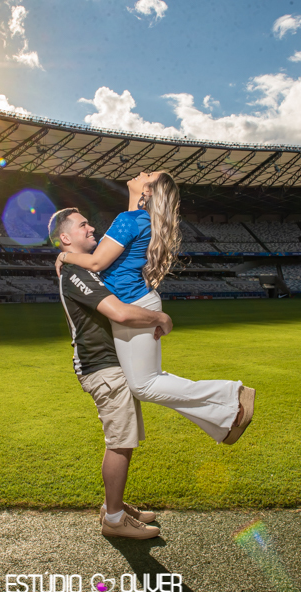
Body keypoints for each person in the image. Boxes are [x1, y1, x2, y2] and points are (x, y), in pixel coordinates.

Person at [55, 171, 254, 445]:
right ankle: (225, 419)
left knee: (144, 386)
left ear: (148, 192)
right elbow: (127, 227)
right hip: (139, 299)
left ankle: (230, 396)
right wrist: (136, 196)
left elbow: (98, 263)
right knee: (149, 381)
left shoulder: (129, 221)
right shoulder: (141, 219)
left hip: (134, 303)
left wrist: (64, 255)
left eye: (147, 175)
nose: (141, 172)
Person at [50, 207, 171, 540]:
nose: (92, 228)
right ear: (65, 237)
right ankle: (114, 520)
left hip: (108, 363)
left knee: (124, 441)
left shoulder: (79, 267)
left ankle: (113, 505)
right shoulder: (76, 273)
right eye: (83, 225)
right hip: (100, 365)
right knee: (120, 442)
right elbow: (118, 312)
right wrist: (159, 318)